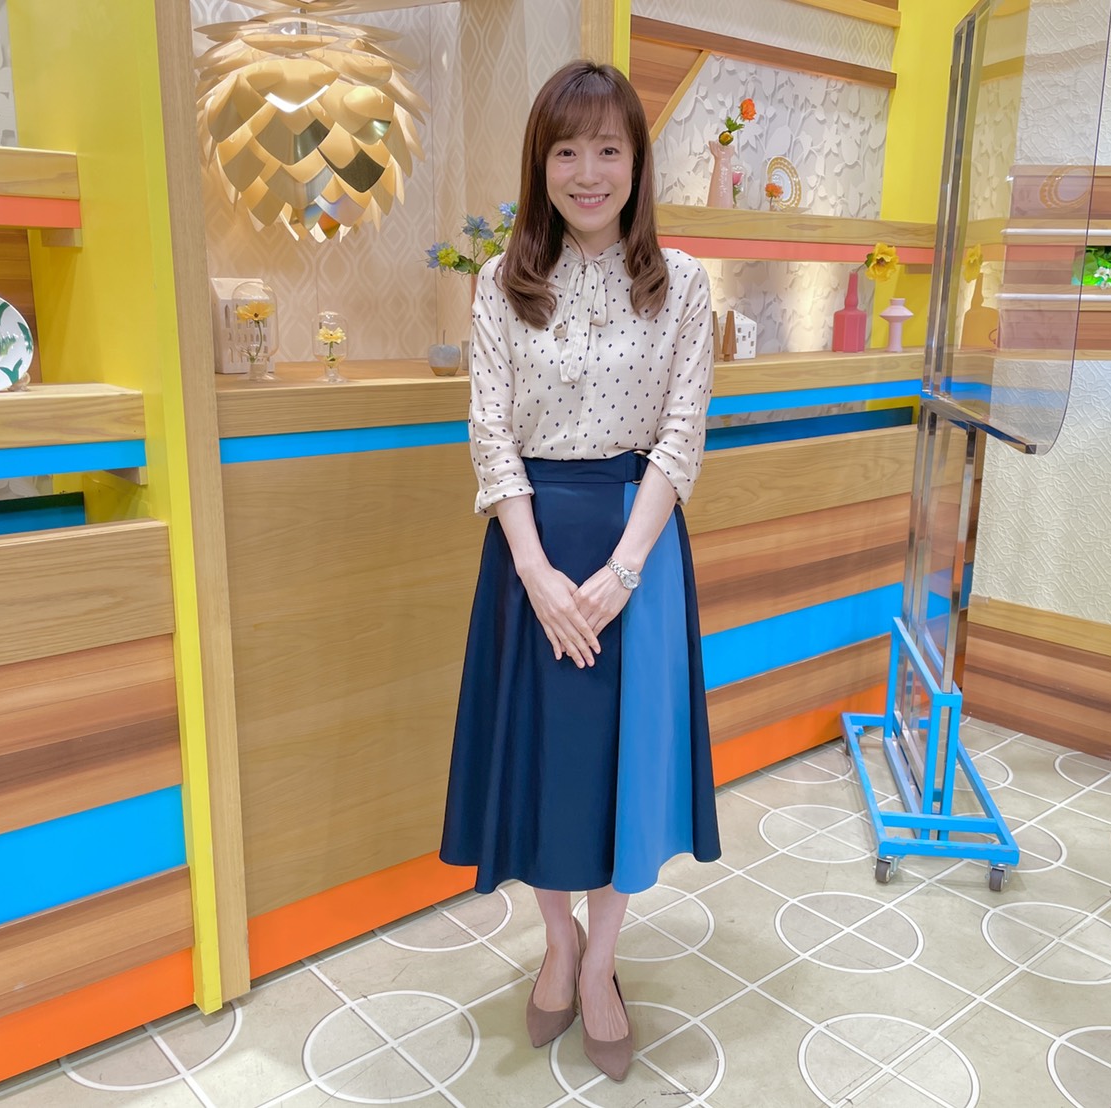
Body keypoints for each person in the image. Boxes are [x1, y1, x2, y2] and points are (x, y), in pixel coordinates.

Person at [439, 60, 721, 1082]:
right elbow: (490, 436)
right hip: (530, 553)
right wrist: (536, 572)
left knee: (622, 773)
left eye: (609, 148)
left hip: (636, 548)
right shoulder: (499, 284)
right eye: (566, 150)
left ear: (637, 162)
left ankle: (600, 963)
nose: (588, 171)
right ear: (540, 164)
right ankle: (555, 943)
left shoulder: (681, 283)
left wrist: (622, 572)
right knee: (545, 768)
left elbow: (681, 435)